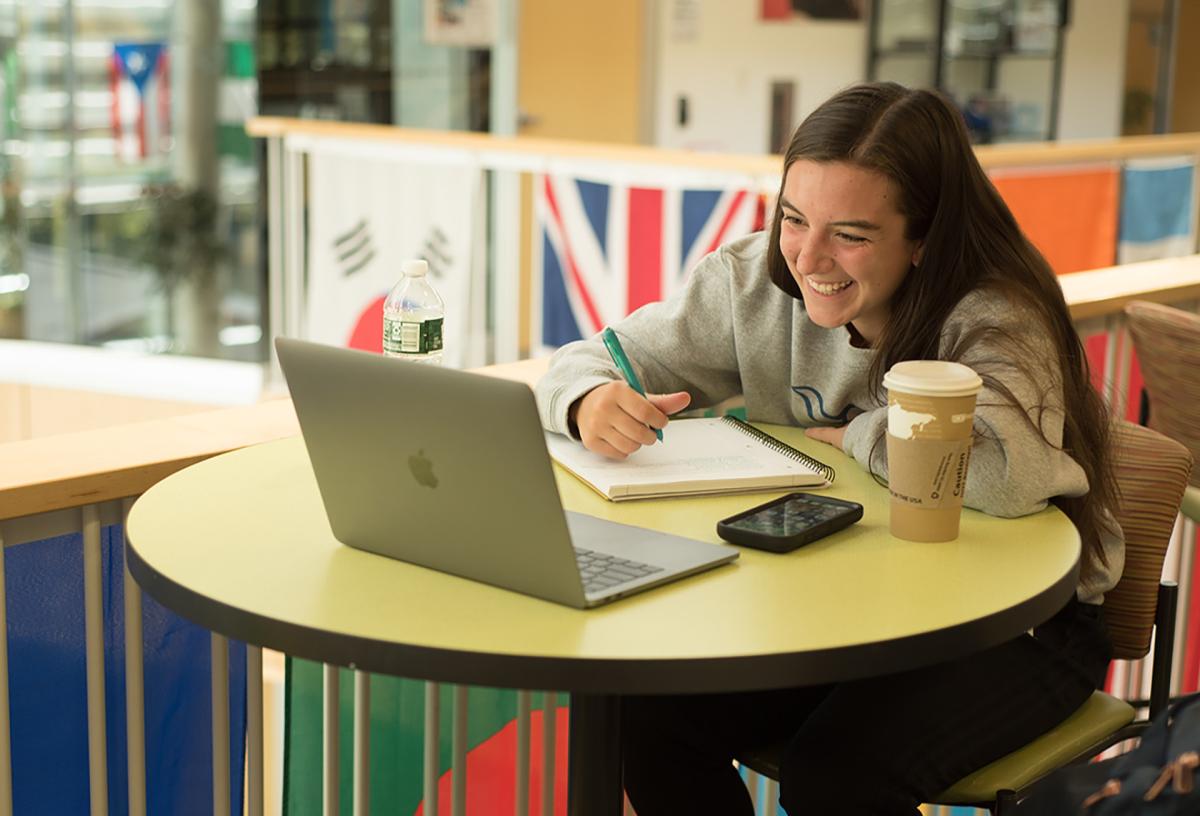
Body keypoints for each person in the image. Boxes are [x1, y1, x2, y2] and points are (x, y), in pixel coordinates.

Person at [534, 82, 1122, 816]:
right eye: (792, 217)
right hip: (843, 610)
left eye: (851, 233)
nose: (808, 257)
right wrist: (589, 398)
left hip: (1021, 626)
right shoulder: (752, 284)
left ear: (924, 239)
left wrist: (864, 432)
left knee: (837, 775)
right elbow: (590, 358)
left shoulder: (995, 317)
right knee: (647, 718)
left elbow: (1011, 475)